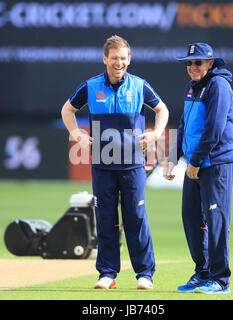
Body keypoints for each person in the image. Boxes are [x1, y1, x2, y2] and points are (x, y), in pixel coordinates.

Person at [61, 35, 169, 290]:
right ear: (105, 59)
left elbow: (162, 110)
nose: (118, 63)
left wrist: (154, 135)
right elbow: (67, 110)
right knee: (106, 218)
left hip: (133, 164)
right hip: (102, 165)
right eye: (114, 58)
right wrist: (78, 136)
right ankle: (107, 273)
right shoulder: (91, 86)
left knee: (135, 217)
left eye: (123, 58)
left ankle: (145, 274)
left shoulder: (140, 86)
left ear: (129, 59)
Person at [163, 42, 233, 294]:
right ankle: (203, 272)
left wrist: (194, 161)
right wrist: (173, 157)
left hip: (216, 162)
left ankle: (220, 280)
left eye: (197, 62)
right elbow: (185, 125)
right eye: (188, 63)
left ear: (210, 63)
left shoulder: (219, 85)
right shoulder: (193, 86)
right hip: (196, 162)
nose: (192, 66)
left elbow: (214, 128)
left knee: (216, 219)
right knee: (191, 217)